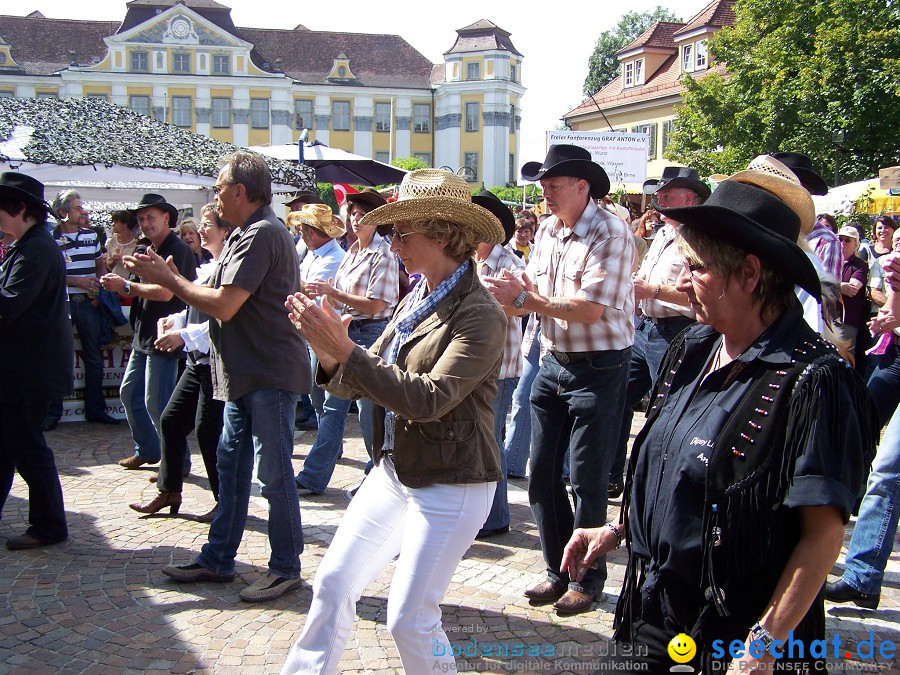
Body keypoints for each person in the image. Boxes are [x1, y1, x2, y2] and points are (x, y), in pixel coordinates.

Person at [561, 175, 876, 672]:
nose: (682, 282)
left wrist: (767, 641)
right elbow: (673, 466)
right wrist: (617, 529)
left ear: (749, 274)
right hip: (655, 609)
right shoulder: (693, 348)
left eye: (697, 268)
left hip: (738, 634)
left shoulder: (814, 382)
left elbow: (822, 535)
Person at [280, 169, 506, 674]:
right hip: (396, 467)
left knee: (409, 618)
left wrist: (345, 353)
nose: (393, 242)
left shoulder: (481, 312)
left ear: (444, 235)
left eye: (403, 233)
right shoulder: (418, 295)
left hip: (453, 479)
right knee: (333, 585)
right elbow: (367, 373)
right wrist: (331, 354)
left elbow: (430, 400)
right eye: (392, 232)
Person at [126, 151, 309, 603]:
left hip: (265, 373)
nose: (214, 196)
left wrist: (170, 283)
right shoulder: (252, 233)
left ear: (240, 192)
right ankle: (218, 558)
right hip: (245, 373)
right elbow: (220, 300)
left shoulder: (262, 233)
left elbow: (224, 305)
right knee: (231, 465)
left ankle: (285, 567)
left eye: (218, 188)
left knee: (272, 473)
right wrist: (173, 280)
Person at [483, 144, 635, 616]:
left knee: (586, 480)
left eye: (553, 184)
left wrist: (522, 300)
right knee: (540, 473)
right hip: (552, 358)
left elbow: (590, 310)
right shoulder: (549, 229)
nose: (545, 193)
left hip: (600, 365)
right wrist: (506, 295)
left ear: (582, 186)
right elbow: (532, 289)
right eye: (543, 185)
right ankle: (557, 570)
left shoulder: (611, 231)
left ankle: (587, 581)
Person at [127, 204, 231, 522]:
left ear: (225, 230)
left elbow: (225, 319)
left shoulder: (230, 267)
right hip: (198, 361)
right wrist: (175, 322)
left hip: (218, 361)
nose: (200, 228)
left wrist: (183, 336)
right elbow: (194, 306)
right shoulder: (209, 264)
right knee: (171, 420)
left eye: (207, 223)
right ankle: (169, 489)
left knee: (208, 432)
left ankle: (225, 501)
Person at [609, 167, 707, 498]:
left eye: (667, 194)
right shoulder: (665, 234)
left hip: (677, 333)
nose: (659, 199)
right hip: (646, 330)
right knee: (616, 397)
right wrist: (641, 298)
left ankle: (658, 483)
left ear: (689, 198)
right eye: (659, 194)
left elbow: (699, 296)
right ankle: (613, 473)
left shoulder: (701, 237)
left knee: (666, 410)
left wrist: (652, 290)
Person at [294, 187, 399, 496]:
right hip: (345, 329)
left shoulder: (385, 253)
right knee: (331, 404)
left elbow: (378, 304)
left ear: (376, 220)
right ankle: (315, 475)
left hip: (371, 333)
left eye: (362, 215)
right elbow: (339, 299)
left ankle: (375, 474)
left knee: (367, 412)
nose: (355, 220)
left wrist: (333, 294)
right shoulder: (352, 251)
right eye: (352, 214)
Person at [0, 172, 73, 550]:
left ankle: (49, 525)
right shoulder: (25, 246)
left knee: (26, 446)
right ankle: (47, 524)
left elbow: (9, 306)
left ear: (19, 208)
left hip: (30, 371)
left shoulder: (37, 249)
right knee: (9, 444)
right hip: (20, 368)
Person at [101, 194, 197, 470]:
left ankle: (176, 464)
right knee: (130, 394)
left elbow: (167, 292)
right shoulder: (146, 248)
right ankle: (148, 449)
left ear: (167, 218)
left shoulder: (176, 249)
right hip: (144, 335)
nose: (145, 223)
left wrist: (126, 287)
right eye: (141, 219)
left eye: (150, 217)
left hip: (165, 336)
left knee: (158, 405)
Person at [473, 189, 525, 538]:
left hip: (500, 365)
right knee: (482, 439)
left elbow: (522, 306)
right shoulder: (471, 261)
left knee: (491, 441)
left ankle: (496, 516)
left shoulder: (511, 263)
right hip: (477, 364)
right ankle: (485, 513)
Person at [44, 189, 118, 429]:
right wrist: (76, 282)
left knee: (94, 358)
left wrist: (98, 293)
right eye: (77, 207)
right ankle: (53, 412)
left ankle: (96, 409)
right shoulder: (49, 239)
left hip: (88, 303)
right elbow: (49, 275)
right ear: (63, 213)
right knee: (57, 358)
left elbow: (100, 268)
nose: (82, 210)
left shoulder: (92, 236)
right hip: (62, 304)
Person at [290, 203, 346, 433]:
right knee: (316, 392)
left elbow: (308, 291)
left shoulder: (334, 257)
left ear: (311, 232)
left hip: (323, 332)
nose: (300, 235)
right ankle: (329, 440)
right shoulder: (315, 255)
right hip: (311, 330)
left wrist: (289, 274)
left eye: (302, 230)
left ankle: (330, 441)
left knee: (323, 392)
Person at [836, 225, 870, 352]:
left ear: (856, 244)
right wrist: (839, 286)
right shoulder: (830, 262)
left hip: (847, 320)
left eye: (848, 240)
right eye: (841, 239)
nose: (843, 242)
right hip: (827, 318)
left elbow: (851, 290)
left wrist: (828, 285)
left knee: (845, 358)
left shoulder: (860, 265)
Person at [106, 209, 140, 279]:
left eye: (116, 222)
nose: (113, 225)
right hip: (114, 281)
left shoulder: (137, 242)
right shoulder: (111, 242)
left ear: (125, 224)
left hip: (131, 282)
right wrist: (113, 261)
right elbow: (109, 266)